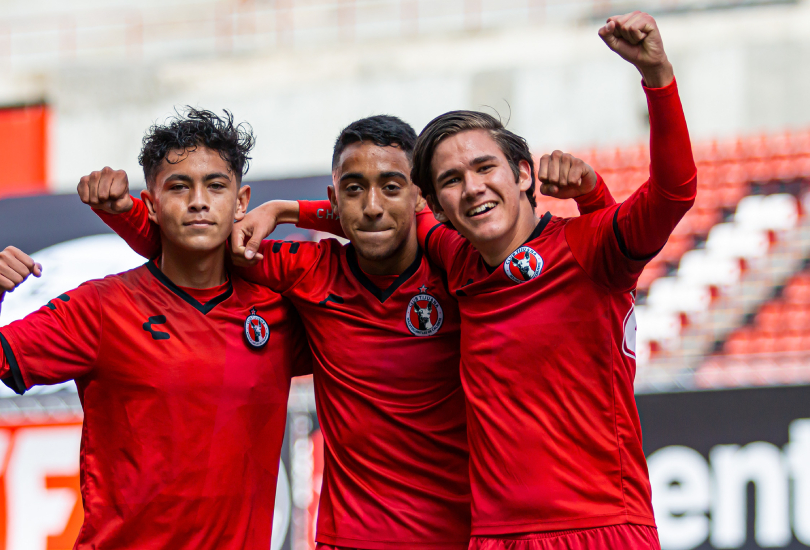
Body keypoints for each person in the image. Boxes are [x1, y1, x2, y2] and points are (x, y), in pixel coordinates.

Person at [85, 115, 616, 549]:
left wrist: (289, 208)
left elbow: (611, 250)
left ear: (420, 197)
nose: (373, 205)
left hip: (461, 536)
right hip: (350, 540)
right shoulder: (309, 271)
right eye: (354, 190)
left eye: (392, 187)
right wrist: (125, 213)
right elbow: (195, 249)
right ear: (336, 197)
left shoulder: (459, 269)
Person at [296, 11, 696, 550]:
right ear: (438, 205)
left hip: (599, 530)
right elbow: (382, 216)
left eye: (485, 168)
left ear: (523, 173)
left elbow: (673, 193)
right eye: (452, 180)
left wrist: (657, 76)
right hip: (494, 539)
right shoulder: (455, 258)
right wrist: (288, 210)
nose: (473, 188)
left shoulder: (590, 248)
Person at [0, 109, 310, 549]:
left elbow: (376, 250)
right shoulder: (100, 308)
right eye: (179, 187)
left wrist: (289, 210)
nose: (199, 201)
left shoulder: (277, 313)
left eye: (216, 185)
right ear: (152, 204)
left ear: (241, 201)